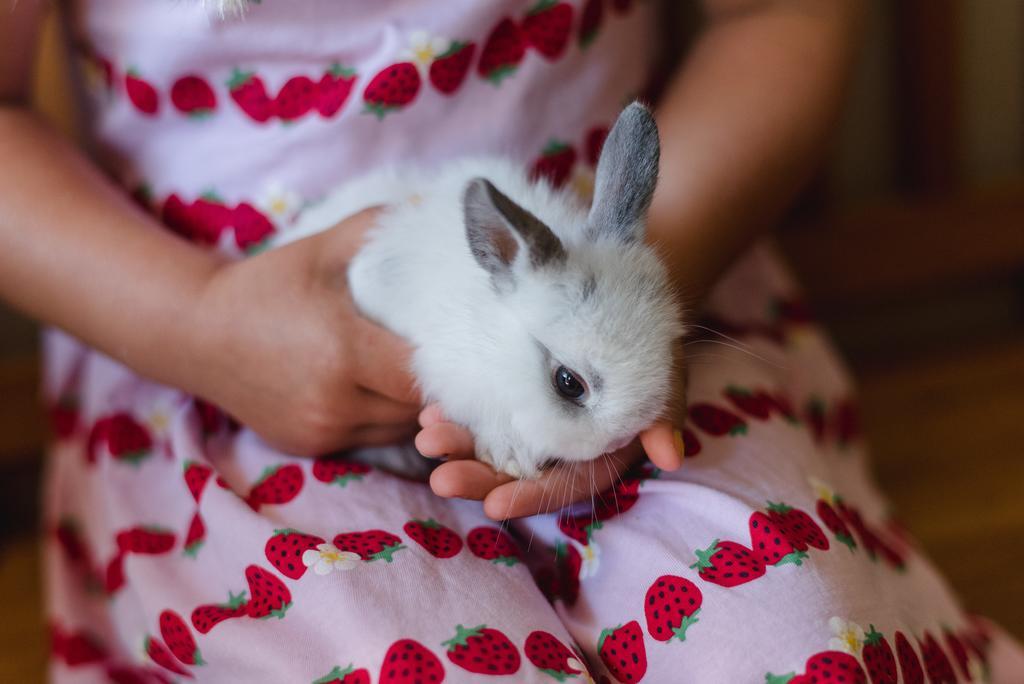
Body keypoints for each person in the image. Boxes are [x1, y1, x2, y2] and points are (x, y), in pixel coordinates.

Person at [2, 0, 1021, 681]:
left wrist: (638, 296)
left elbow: (777, 15)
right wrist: (198, 324)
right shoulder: (211, 336)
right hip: (220, 356)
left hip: (650, 283)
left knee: (787, 636)